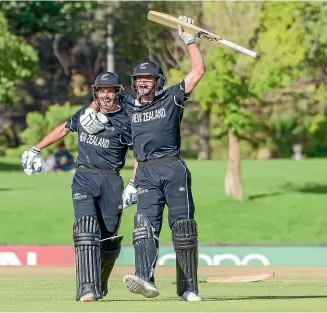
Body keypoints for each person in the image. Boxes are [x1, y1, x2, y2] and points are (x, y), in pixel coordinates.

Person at [79, 16, 206, 302]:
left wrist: (189, 40)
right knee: (143, 227)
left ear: (158, 82)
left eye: (148, 79)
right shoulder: (129, 109)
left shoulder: (172, 98)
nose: (143, 84)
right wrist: (133, 182)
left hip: (173, 168)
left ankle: (188, 288)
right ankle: (145, 279)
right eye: (138, 80)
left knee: (183, 228)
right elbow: (103, 95)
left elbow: (198, 70)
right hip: (146, 173)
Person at [21, 72, 137, 302]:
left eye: (109, 91)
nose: (105, 95)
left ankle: (100, 283)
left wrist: (134, 183)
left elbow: (141, 155)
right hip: (84, 177)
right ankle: (87, 289)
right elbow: (63, 128)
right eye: (101, 91)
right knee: (86, 228)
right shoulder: (85, 114)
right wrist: (36, 148)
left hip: (112, 180)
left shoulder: (127, 121)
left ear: (117, 92)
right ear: (96, 92)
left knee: (108, 238)